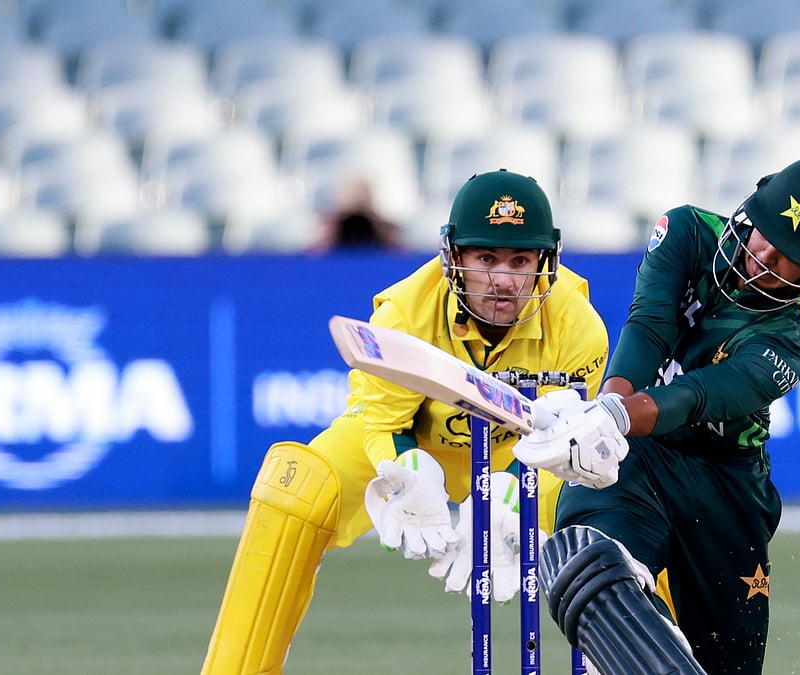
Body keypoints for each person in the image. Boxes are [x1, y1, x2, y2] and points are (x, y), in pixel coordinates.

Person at [202, 169, 609, 674]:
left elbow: (564, 443)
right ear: (453, 257)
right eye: (486, 259)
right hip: (419, 441)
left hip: (522, 455)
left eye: (520, 261)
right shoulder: (403, 313)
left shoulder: (578, 326)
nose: (504, 280)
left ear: (545, 262)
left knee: (638, 489)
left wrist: (511, 496)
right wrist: (408, 469)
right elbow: (381, 420)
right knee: (296, 486)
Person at [514, 155, 800, 675]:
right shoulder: (686, 231)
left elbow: (696, 395)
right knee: (591, 564)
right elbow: (649, 324)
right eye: (766, 232)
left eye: (790, 255)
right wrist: (609, 407)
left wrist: (616, 415)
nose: (765, 254)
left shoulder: (787, 344)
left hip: (724, 485)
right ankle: (626, 620)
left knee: (728, 662)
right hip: (638, 453)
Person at [309, 174, 404, 252]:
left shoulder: (385, 230)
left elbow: (404, 259)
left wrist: (385, 235)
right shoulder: (330, 230)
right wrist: (331, 236)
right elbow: (311, 259)